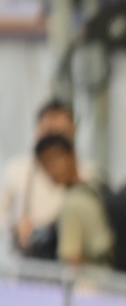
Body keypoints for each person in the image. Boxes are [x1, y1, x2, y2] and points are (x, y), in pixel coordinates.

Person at [1, 99, 90, 250]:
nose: (53, 142)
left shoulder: (87, 174)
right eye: (48, 132)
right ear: (37, 131)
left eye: (61, 133)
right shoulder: (16, 169)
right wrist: (15, 228)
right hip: (27, 258)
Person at [29, 134, 114, 267]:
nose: (51, 169)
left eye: (55, 159)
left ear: (73, 157)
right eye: (45, 164)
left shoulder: (71, 204)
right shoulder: (96, 188)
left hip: (93, 278)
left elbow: (71, 263)